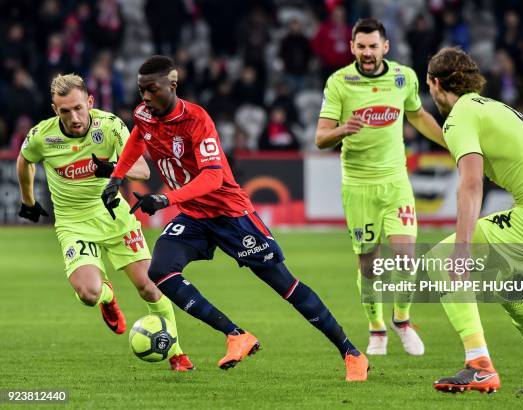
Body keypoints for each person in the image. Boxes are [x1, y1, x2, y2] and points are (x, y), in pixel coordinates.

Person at [100, 55, 369, 382]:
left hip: (231, 215)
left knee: (286, 285)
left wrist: (167, 198)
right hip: (195, 217)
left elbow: (213, 177)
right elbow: (137, 139)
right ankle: (236, 335)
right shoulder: (145, 114)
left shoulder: (197, 120)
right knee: (160, 270)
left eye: (151, 90)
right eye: (141, 90)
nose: (144, 97)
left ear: (171, 85)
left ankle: (351, 352)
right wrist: (117, 176)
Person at [426, 47, 523, 394]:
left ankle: (479, 365)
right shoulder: (491, 106)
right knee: (514, 294)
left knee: (439, 258)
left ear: (435, 83)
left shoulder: (459, 117)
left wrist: (463, 248)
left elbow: (470, 182)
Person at [16, 74, 193, 372]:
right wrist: (28, 201)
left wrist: (111, 169)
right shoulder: (41, 136)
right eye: (64, 111)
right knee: (88, 294)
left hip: (114, 218)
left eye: (78, 108)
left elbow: (142, 170)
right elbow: (24, 161)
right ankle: (106, 296)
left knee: (151, 287)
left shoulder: (109, 126)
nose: (74, 117)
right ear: (54, 110)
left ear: (90, 102)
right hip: (74, 224)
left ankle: (176, 353)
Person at [315, 18, 445, 356]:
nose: (367, 52)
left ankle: (402, 321)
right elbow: (320, 138)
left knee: (405, 259)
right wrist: (343, 129)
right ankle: (377, 330)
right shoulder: (340, 82)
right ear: (352, 47)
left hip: (395, 182)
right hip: (358, 186)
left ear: (385, 47)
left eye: (373, 46)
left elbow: (416, 115)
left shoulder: (403, 77)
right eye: (361, 46)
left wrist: (450, 142)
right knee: (369, 266)